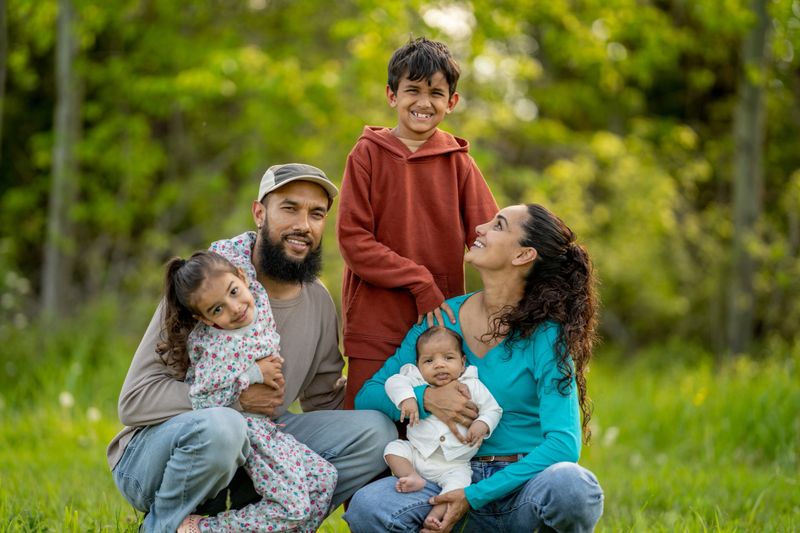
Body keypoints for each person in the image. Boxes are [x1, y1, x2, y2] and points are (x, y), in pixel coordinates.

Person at [107, 163, 396, 533]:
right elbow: (135, 401)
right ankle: (164, 526)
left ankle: (254, 524)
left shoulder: (319, 303)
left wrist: (408, 393)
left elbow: (323, 400)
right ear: (259, 212)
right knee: (224, 426)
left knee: (376, 433)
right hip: (156, 458)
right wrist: (236, 400)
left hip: (258, 440)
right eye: (289, 208)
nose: (303, 225)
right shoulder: (206, 287)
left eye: (316, 213)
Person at [345, 204, 605, 532]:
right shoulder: (442, 319)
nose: (478, 229)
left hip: (520, 488)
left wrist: (473, 495)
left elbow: (564, 443)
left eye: (497, 226)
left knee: (573, 487)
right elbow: (368, 395)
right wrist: (426, 399)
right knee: (369, 506)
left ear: (523, 255)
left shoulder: (547, 334)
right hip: (446, 477)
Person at [337, 36, 498, 409]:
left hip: (437, 329)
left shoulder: (459, 163)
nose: (423, 103)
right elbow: (353, 241)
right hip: (374, 322)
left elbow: (490, 236)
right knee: (369, 419)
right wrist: (419, 279)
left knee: (437, 424)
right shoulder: (367, 155)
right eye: (412, 90)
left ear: (451, 102)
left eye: (436, 93)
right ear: (392, 95)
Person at [159, 250, 336, 532]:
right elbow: (203, 400)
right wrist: (254, 374)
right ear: (205, 319)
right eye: (217, 309)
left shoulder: (254, 297)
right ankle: (202, 530)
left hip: (270, 428)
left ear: (243, 277)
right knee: (294, 509)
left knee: (324, 477)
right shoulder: (220, 347)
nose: (234, 308)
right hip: (250, 435)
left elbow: (243, 247)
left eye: (233, 291)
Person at [384, 326, 502, 530]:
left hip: (454, 465)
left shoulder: (472, 385)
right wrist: (409, 398)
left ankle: (435, 518)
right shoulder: (416, 380)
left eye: (448, 358)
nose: (439, 365)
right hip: (418, 454)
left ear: (462, 362)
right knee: (393, 449)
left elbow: (493, 409)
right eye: (429, 361)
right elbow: (393, 382)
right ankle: (410, 475)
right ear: (418, 365)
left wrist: (482, 424)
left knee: (460, 485)